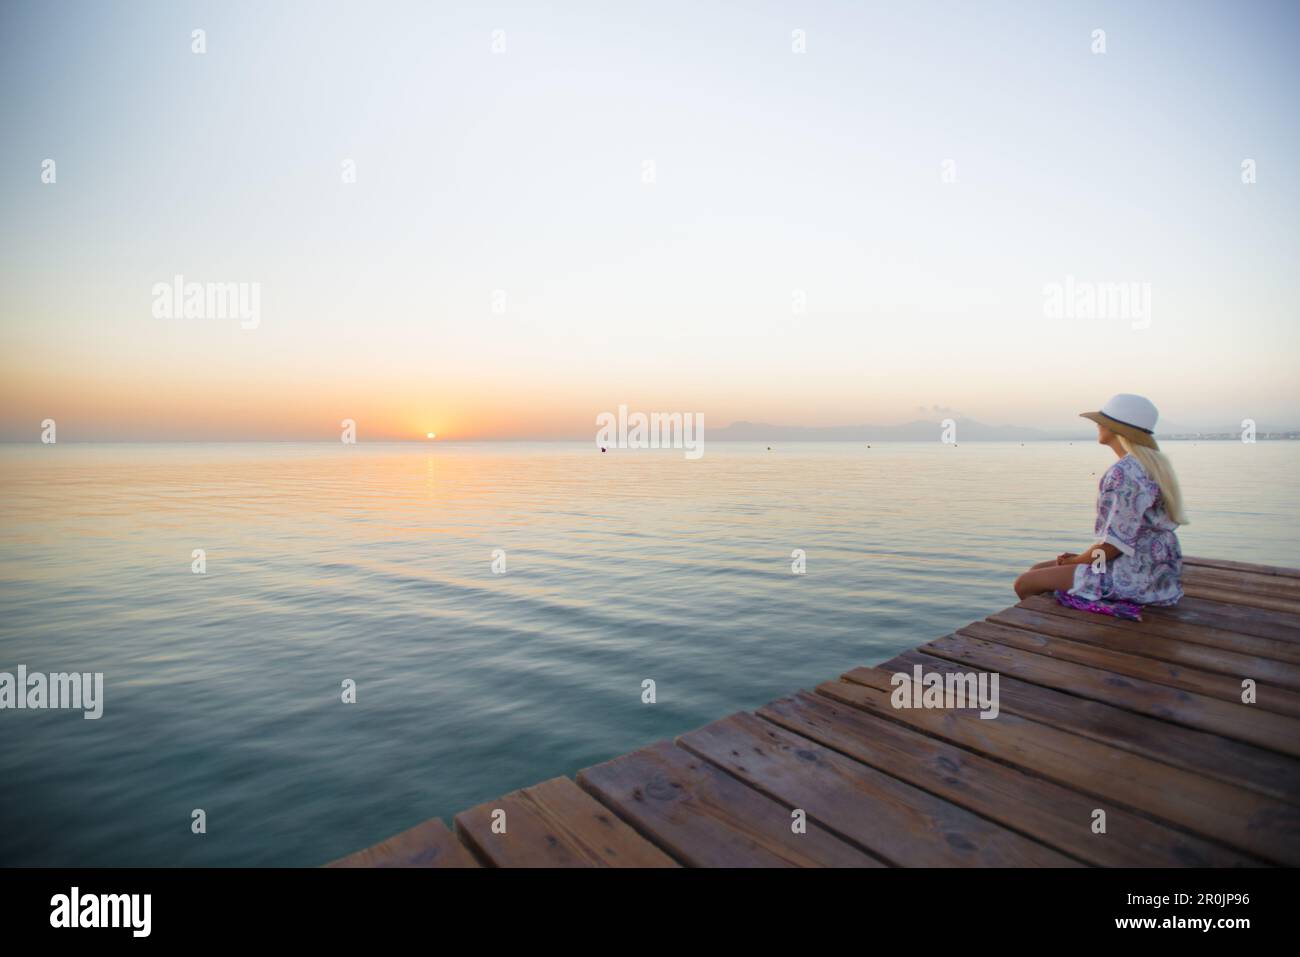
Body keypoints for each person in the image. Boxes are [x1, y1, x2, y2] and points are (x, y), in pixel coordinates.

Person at [1014, 394, 1187, 606]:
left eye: (1101, 421)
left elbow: (1112, 547)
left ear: (1115, 428)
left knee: (1025, 583)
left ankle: (1060, 626)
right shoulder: (1153, 464)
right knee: (1039, 570)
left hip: (1132, 577)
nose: (1097, 424)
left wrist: (1076, 561)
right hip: (1157, 573)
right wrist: (1081, 559)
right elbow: (1119, 542)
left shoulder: (1123, 473)